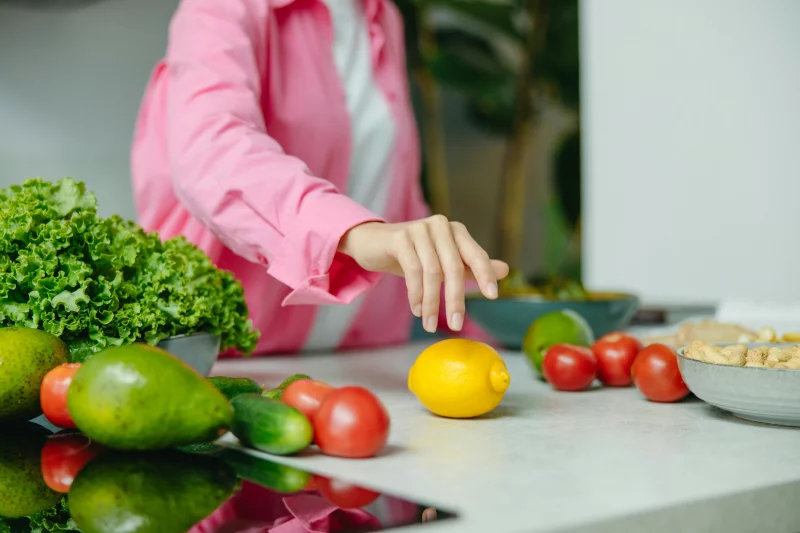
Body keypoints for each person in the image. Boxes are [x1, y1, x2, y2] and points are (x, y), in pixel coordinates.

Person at [131, 0, 509, 356]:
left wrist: (487, 306)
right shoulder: (224, 7)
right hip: (236, 367)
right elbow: (211, 151)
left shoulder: (380, 15)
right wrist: (356, 233)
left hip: (363, 360)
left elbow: (389, 190)